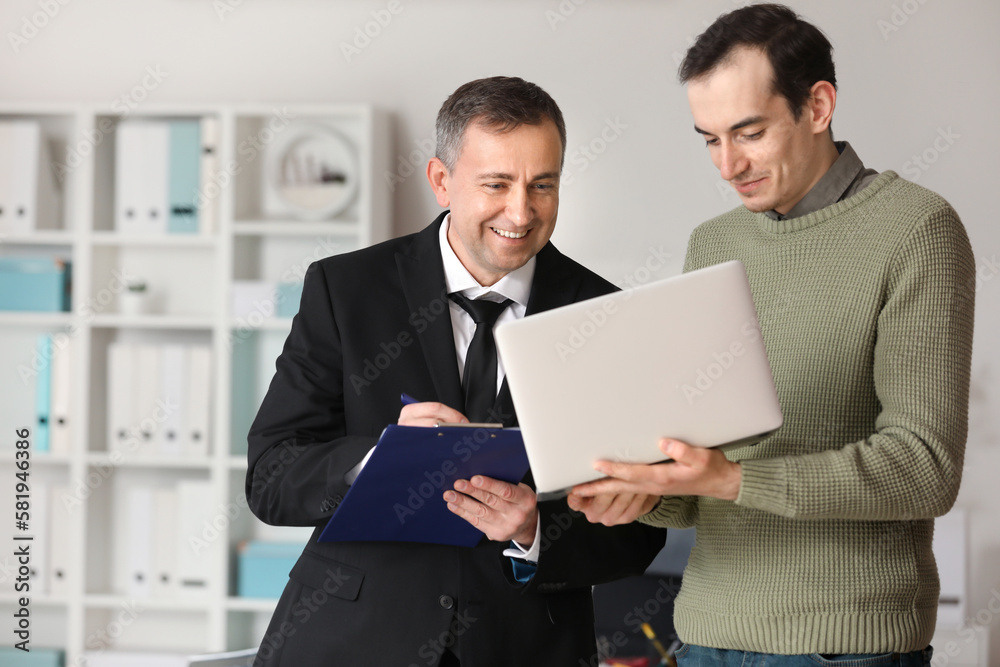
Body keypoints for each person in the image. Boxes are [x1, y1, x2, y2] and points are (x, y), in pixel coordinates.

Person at [568, 5, 975, 666]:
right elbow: (701, 481)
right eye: (708, 138)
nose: (728, 164)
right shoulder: (714, 243)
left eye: (748, 132)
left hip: (846, 646)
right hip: (705, 634)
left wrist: (734, 479)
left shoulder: (915, 229)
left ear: (817, 105)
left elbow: (925, 467)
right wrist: (642, 493)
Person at [246, 76, 665, 667]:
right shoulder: (345, 290)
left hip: (525, 647)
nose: (521, 212)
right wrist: (375, 459)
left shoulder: (605, 314)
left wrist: (534, 530)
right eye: (496, 184)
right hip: (351, 640)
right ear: (441, 181)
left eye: (542, 185)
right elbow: (271, 477)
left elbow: (643, 529)